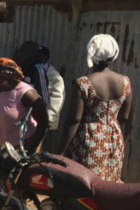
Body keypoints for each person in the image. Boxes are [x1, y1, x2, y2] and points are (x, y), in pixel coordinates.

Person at [59, 35, 133, 182]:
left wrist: (61, 152)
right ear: (114, 55)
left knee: (85, 182)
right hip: (114, 138)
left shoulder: (83, 83)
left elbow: (74, 119)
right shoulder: (125, 82)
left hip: (88, 138)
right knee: (107, 184)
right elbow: (124, 117)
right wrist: (113, 135)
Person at [0, 58, 49, 152]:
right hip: (2, 147)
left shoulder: (26, 94)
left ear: (12, 80)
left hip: (23, 147)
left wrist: (31, 148)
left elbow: (43, 122)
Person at [15, 41, 50, 106]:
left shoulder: (38, 70)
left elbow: (43, 99)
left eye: (23, 51)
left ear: (32, 54)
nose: (19, 53)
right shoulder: (16, 68)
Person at [39, 46, 65, 131]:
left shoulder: (54, 76)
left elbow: (57, 98)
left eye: (40, 55)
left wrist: (49, 120)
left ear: (45, 58)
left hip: (43, 120)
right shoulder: (34, 70)